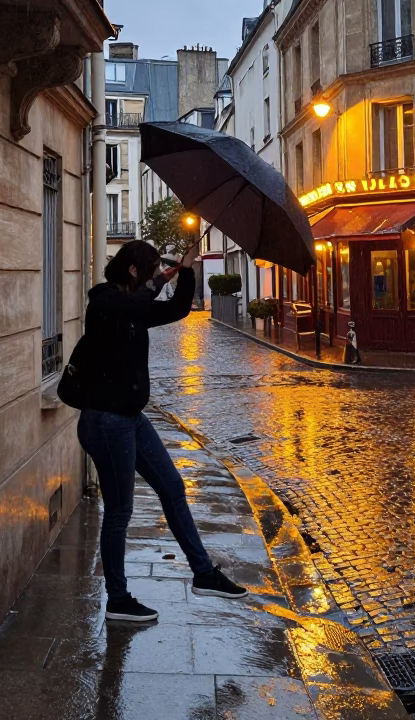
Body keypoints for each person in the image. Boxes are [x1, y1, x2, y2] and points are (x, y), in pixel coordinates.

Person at [78, 239, 248, 622]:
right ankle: (118, 599)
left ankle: (203, 573)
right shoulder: (105, 301)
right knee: (120, 511)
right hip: (105, 422)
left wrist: (185, 270)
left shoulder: (134, 305)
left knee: (173, 487)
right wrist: (161, 279)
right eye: (152, 270)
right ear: (134, 271)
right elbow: (137, 304)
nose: (157, 275)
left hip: (131, 418)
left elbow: (174, 310)